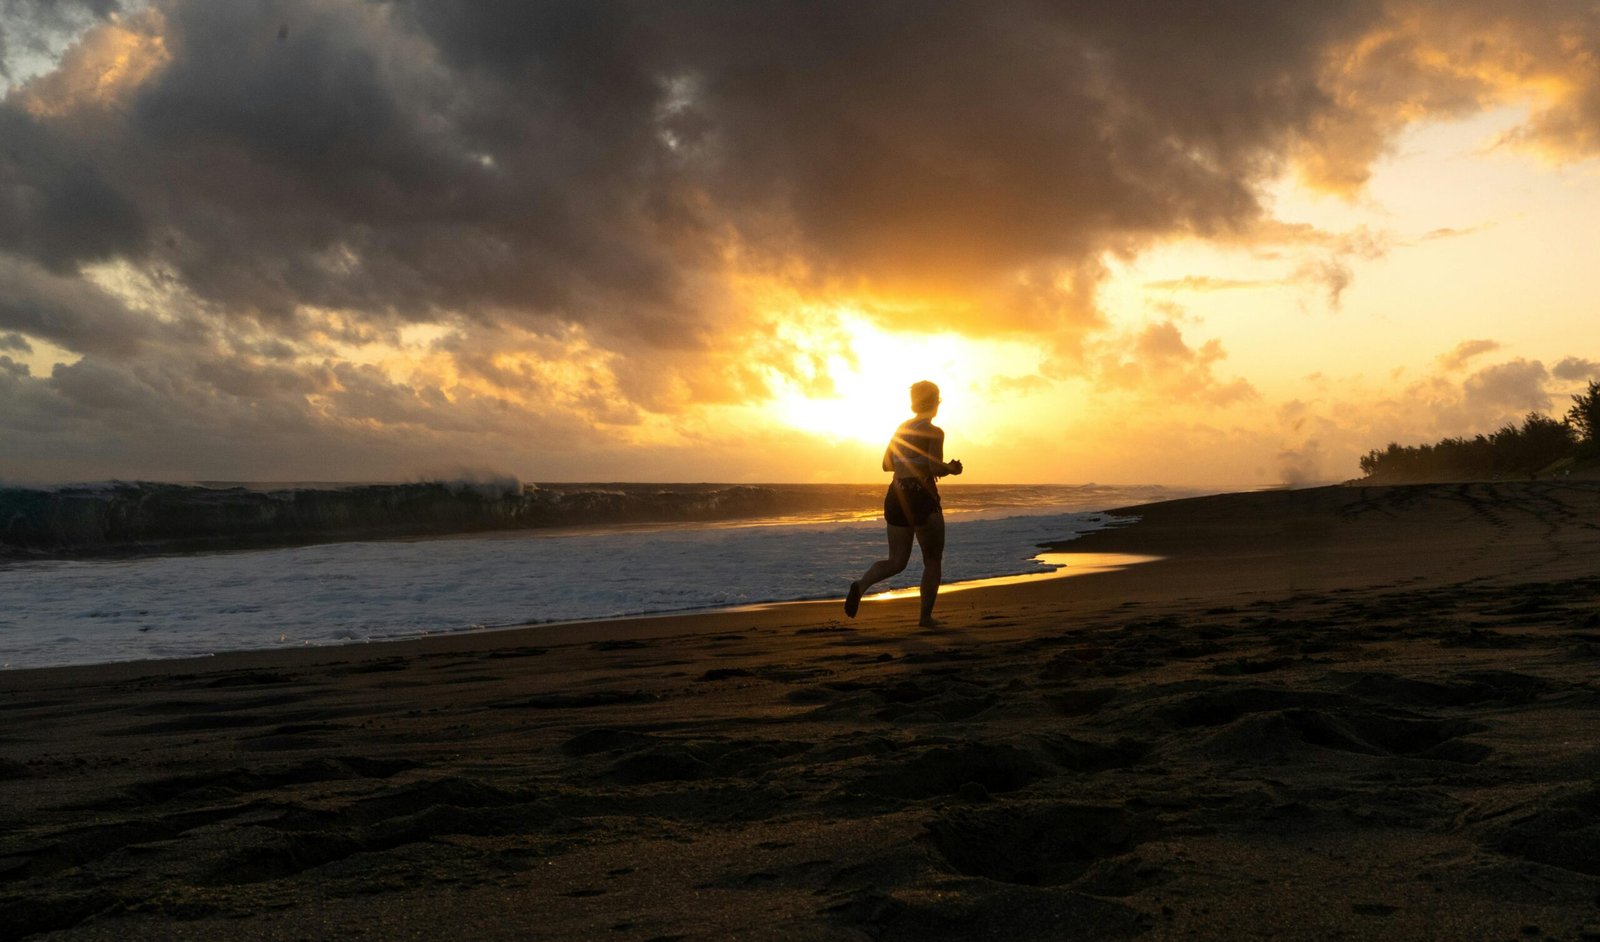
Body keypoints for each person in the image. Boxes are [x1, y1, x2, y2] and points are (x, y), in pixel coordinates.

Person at [844, 380, 963, 627]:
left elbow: (887, 465)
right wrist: (951, 468)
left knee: (896, 561)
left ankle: (861, 584)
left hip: (896, 495)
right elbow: (933, 466)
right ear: (936, 401)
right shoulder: (934, 431)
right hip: (921, 497)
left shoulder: (900, 429)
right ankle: (925, 618)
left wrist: (911, 461)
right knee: (932, 559)